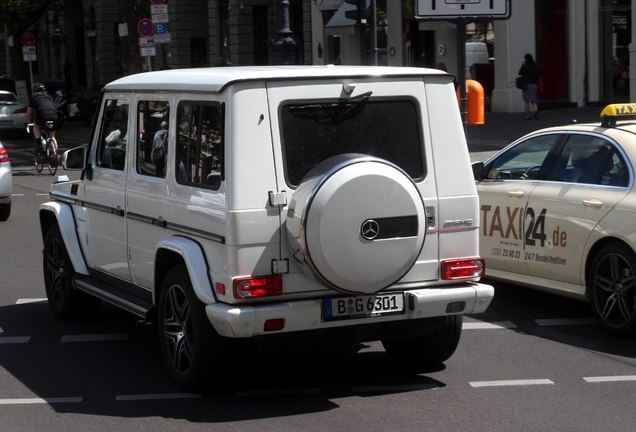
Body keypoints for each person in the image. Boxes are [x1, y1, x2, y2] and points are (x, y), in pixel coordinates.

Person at [26, 82, 58, 153]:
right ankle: (55, 154)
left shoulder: (34, 99)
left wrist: (27, 122)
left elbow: (28, 113)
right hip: (54, 117)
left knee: (36, 125)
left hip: (42, 117)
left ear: (35, 92)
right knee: (52, 137)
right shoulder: (50, 97)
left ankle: (38, 143)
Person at [518, 53, 541, 119]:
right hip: (534, 84)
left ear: (526, 59)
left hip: (527, 85)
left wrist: (522, 65)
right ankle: (536, 110)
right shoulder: (535, 66)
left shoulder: (525, 66)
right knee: (533, 100)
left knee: (526, 101)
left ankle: (527, 115)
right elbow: (539, 74)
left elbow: (520, 73)